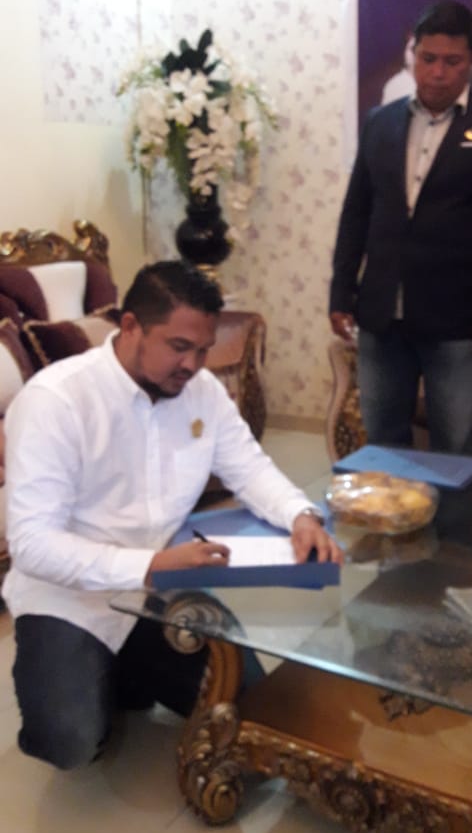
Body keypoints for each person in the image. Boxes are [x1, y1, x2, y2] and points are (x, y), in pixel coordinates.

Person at [4, 260, 341, 770]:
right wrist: (150, 566)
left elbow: (249, 468)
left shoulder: (201, 391)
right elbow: (32, 545)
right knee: (70, 743)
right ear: (131, 326)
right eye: (179, 346)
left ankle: (126, 671)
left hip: (162, 592)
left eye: (203, 349)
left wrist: (301, 515)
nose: (193, 365)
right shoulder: (56, 401)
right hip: (69, 597)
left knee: (248, 708)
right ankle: (87, 674)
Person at [330, 0, 472, 456]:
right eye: (428, 58)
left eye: (452, 61)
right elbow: (356, 212)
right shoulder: (379, 122)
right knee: (383, 444)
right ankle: (390, 509)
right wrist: (341, 291)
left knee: (456, 449)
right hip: (381, 313)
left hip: (456, 318)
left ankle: (455, 510)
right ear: (412, 54)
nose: (438, 73)